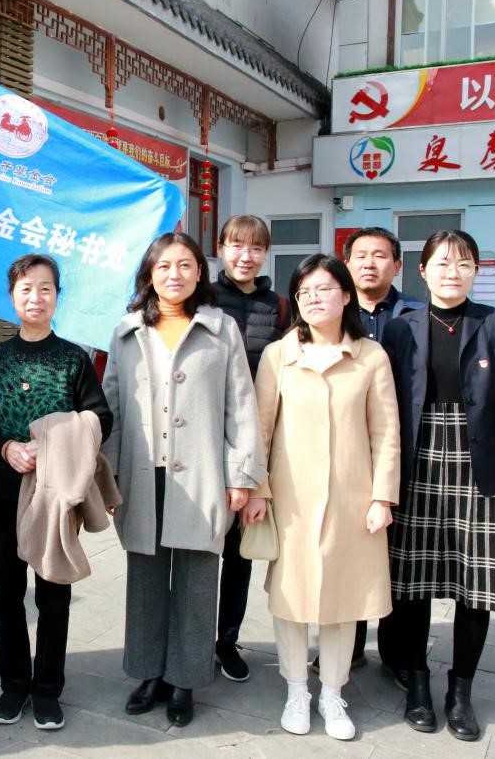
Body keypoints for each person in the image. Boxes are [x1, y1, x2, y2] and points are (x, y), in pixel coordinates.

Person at [102, 232, 263, 728]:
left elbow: (241, 405)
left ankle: (185, 679)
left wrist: (241, 476)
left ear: (199, 273)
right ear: (149, 275)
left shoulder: (222, 328)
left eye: (185, 265)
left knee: (196, 581)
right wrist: (108, 476)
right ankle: (149, 673)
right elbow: (111, 407)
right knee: (145, 579)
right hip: (142, 473)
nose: (175, 274)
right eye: (164, 266)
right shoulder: (127, 331)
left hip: (203, 473)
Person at [382, 230, 495, 741]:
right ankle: (417, 683)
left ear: (475, 272)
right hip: (418, 462)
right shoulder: (401, 328)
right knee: (413, 583)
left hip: (481, 465)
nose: (453, 273)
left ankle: (460, 690)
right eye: (443, 264)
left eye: (464, 264)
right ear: (422, 271)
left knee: (477, 585)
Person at [245, 254, 399, 741]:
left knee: (342, 599)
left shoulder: (370, 356)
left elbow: (386, 432)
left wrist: (382, 497)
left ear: (346, 296)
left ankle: (333, 692)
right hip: (291, 498)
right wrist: (258, 489)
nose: (313, 299)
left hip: (352, 498)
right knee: (290, 598)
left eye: (324, 289)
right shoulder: (280, 354)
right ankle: (296, 689)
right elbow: (260, 429)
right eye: (304, 291)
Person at [0, 254, 112, 731]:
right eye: (26, 289)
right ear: (11, 296)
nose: (35, 297)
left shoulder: (73, 358)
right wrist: (7, 447)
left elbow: (101, 417)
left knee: (54, 594)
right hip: (2, 490)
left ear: (58, 296)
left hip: (56, 494)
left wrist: (53, 442)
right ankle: (13, 685)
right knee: (7, 593)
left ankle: (47, 689)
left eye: (45, 288)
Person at [316, 227, 420, 680]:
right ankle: (349, 645)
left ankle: (396, 653)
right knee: (346, 551)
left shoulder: (414, 316)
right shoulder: (332, 312)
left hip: (401, 447)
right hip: (344, 454)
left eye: (380, 256)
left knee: (398, 556)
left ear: (397, 265)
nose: (369, 264)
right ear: (347, 264)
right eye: (360, 255)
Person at [211, 214, 288, 683]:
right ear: (221, 248)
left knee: (239, 553)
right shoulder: (202, 300)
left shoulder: (278, 307)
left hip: (253, 438)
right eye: (237, 246)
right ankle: (193, 639)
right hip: (203, 439)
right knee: (201, 550)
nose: (246, 256)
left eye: (256, 248)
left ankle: (227, 640)